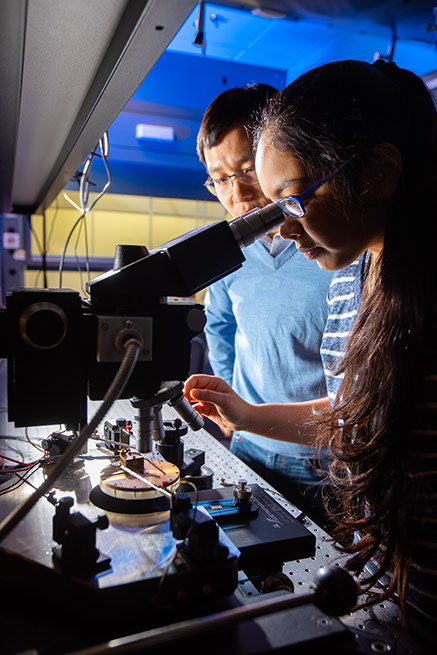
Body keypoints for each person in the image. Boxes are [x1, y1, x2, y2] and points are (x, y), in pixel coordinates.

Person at [186, 60, 437, 644]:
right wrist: (248, 415)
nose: (282, 227)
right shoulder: (355, 274)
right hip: (387, 584)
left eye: (293, 200)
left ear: (378, 172)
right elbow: (355, 414)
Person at [197, 84, 333, 527]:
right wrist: (230, 399)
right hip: (247, 443)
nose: (236, 193)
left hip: (321, 459)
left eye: (246, 170)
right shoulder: (226, 251)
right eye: (220, 179)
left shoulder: (335, 248)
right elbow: (219, 325)